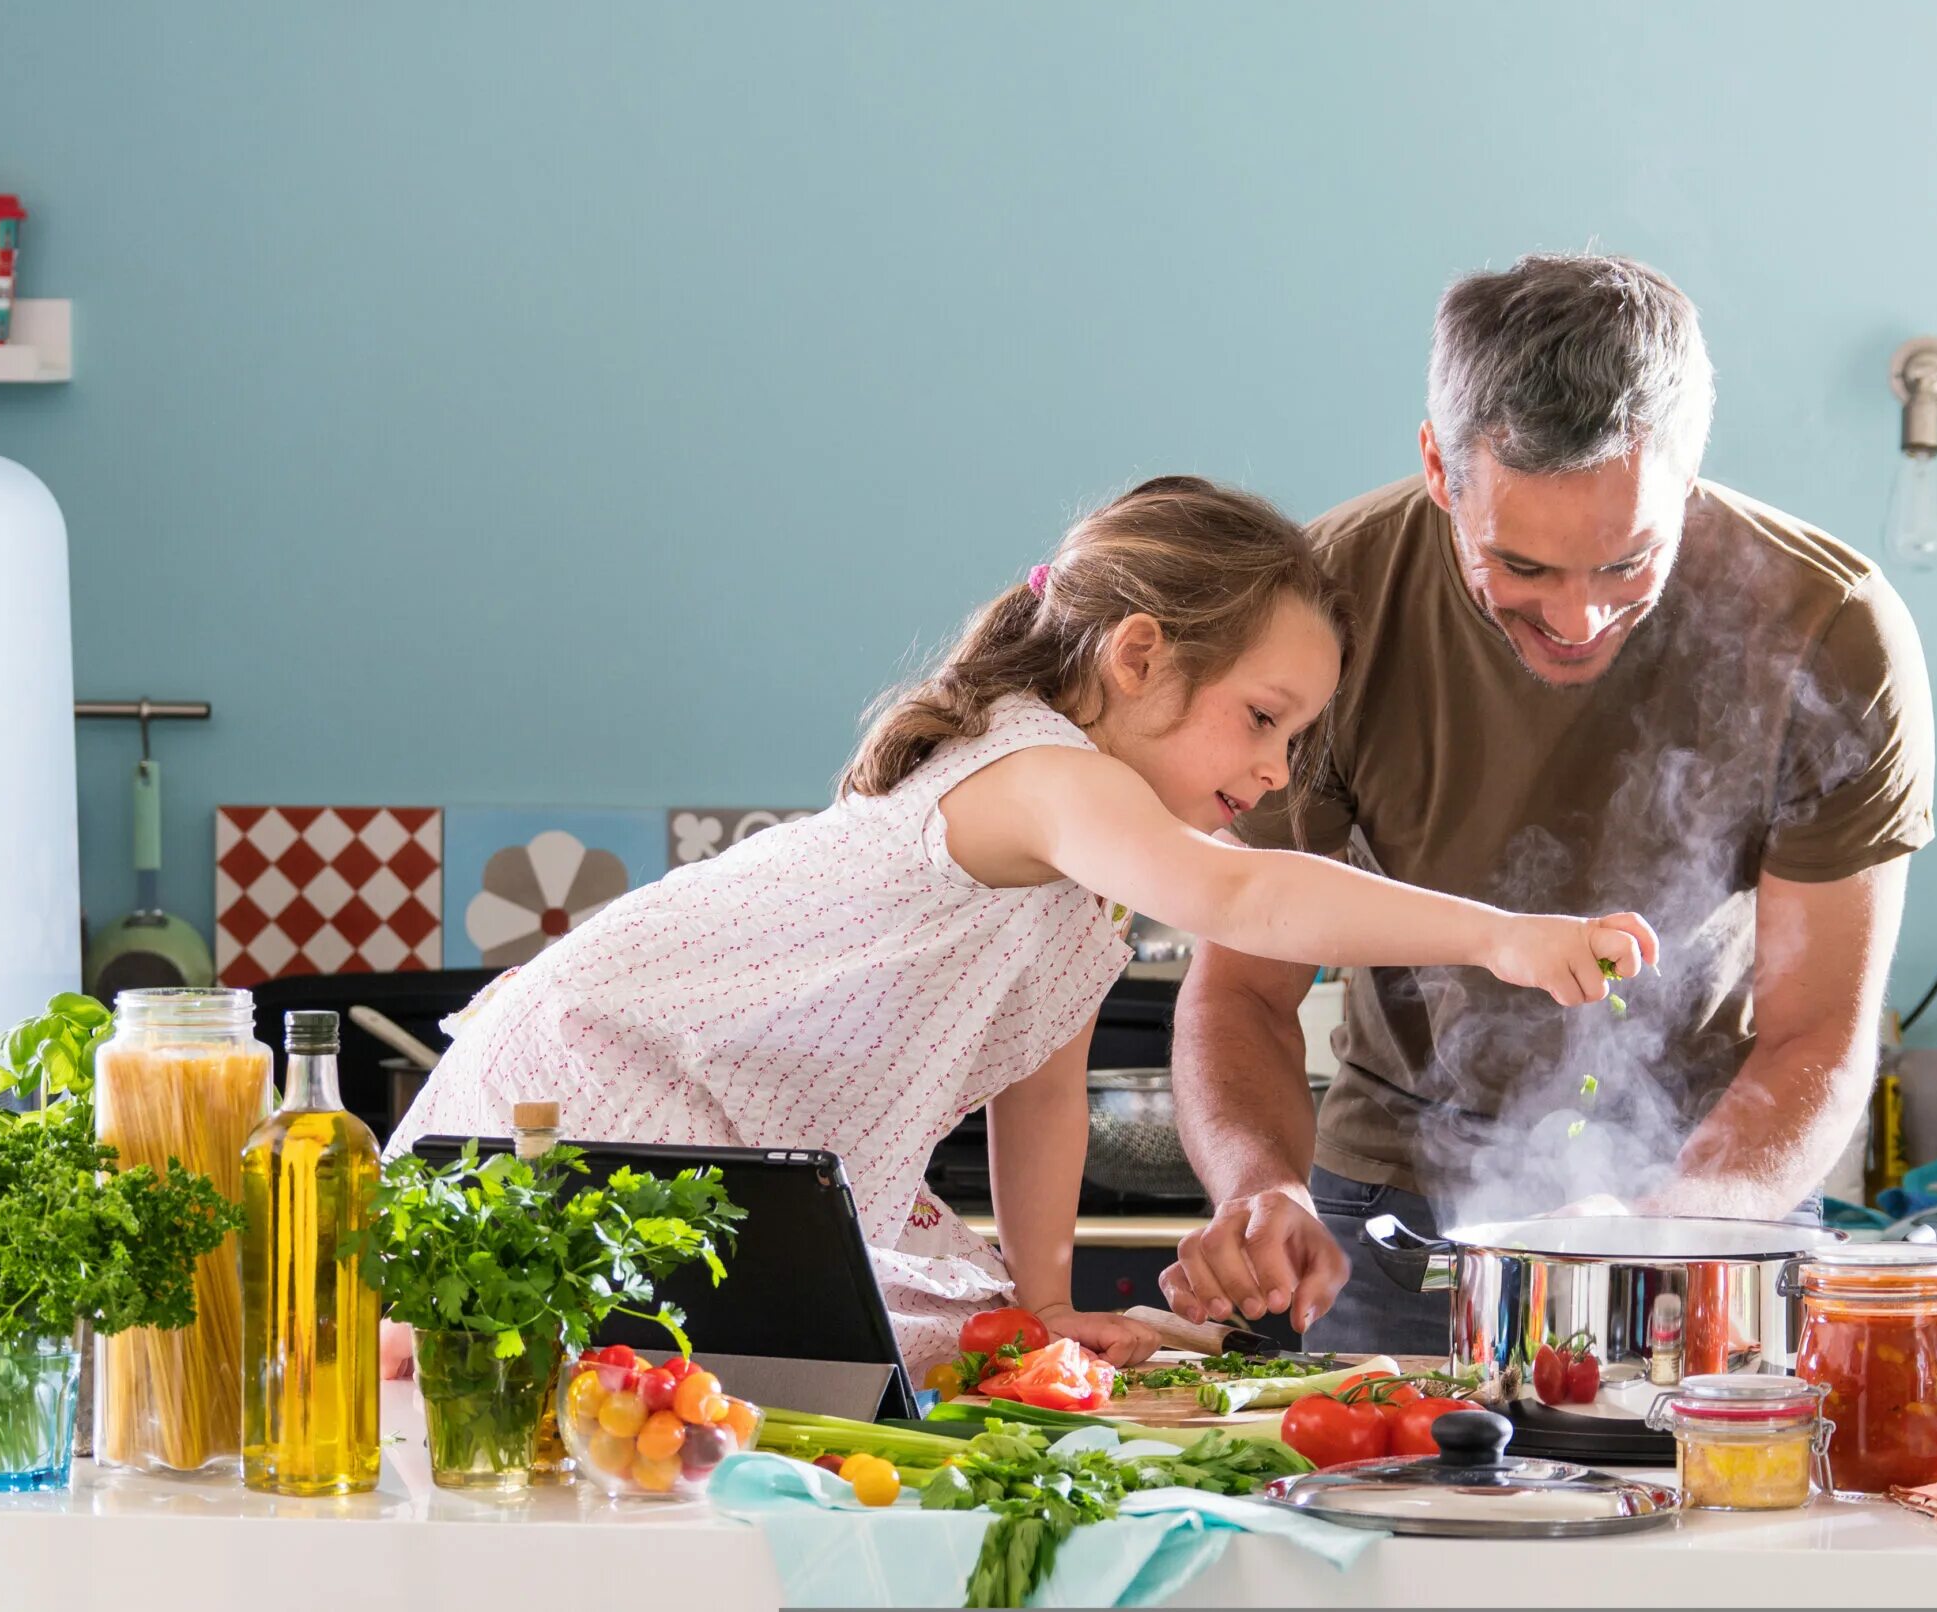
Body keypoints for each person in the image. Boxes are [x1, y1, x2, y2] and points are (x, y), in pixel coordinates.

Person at [389, 475, 1655, 1374]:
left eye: (1298, 736)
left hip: (715, 1129)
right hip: (603, 1075)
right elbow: (1244, 896)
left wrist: (1046, 1298)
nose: (1278, 769)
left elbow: (1039, 1097)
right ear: (1140, 655)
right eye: (1263, 717)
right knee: (619, 1379)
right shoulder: (1045, 775)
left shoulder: (1081, 876)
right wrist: (1502, 935)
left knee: (954, 1337)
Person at [1162, 254, 1935, 1354]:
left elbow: (1817, 1033)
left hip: (1711, 1193)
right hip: (1390, 1208)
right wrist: (1257, 1186)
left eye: (1630, 562)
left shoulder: (1833, 629)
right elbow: (1240, 984)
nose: (1578, 617)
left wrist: (1670, 1230)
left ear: (1689, 471)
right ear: (1439, 465)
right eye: (1520, 565)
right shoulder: (1324, 609)